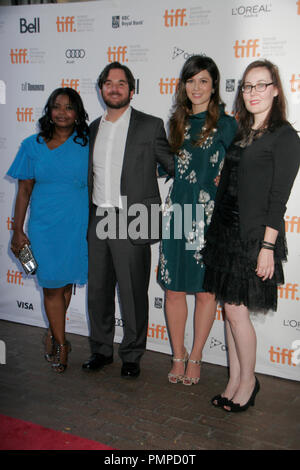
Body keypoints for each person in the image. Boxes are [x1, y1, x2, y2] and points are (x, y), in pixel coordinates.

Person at [202, 59, 300, 412]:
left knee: (237, 310)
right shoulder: (243, 132)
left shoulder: (285, 136)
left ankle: (249, 381)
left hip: (254, 235)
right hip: (226, 230)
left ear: (275, 89)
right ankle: (233, 379)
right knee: (229, 310)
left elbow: (278, 198)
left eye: (261, 85)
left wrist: (267, 247)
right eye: (247, 86)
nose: (253, 92)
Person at [82, 62, 174, 379]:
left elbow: (171, 165)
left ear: (131, 90)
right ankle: (101, 351)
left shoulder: (150, 126)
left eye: (121, 83)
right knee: (98, 291)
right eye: (108, 82)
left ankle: (132, 354)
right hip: (99, 217)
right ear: (101, 89)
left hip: (134, 218)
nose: (115, 87)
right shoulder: (93, 128)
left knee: (133, 292)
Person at [157, 55, 237, 385]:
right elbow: (168, 166)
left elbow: (237, 170)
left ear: (214, 85)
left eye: (203, 80)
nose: (197, 87)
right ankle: (177, 354)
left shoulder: (228, 124)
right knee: (174, 290)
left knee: (205, 292)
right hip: (179, 213)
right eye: (191, 81)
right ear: (184, 85)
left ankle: (197, 356)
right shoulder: (175, 122)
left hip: (208, 217)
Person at [7, 88, 89, 373]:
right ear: (49, 111)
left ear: (77, 112)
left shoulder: (87, 143)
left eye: (69, 107)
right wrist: (17, 231)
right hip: (44, 227)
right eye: (57, 107)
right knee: (53, 286)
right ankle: (63, 344)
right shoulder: (33, 145)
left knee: (65, 285)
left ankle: (53, 334)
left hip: (77, 225)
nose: (62, 112)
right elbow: (23, 191)